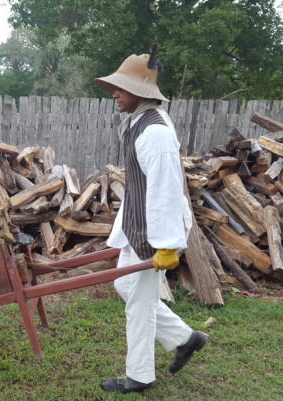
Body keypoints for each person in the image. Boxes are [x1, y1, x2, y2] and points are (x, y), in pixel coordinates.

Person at [93, 48, 207, 393]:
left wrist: (167, 244)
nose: (114, 93)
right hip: (138, 225)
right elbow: (142, 187)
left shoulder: (154, 132)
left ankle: (140, 375)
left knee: (139, 304)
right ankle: (185, 339)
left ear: (140, 92)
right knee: (125, 286)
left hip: (154, 231)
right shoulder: (139, 122)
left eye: (121, 88)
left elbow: (166, 189)